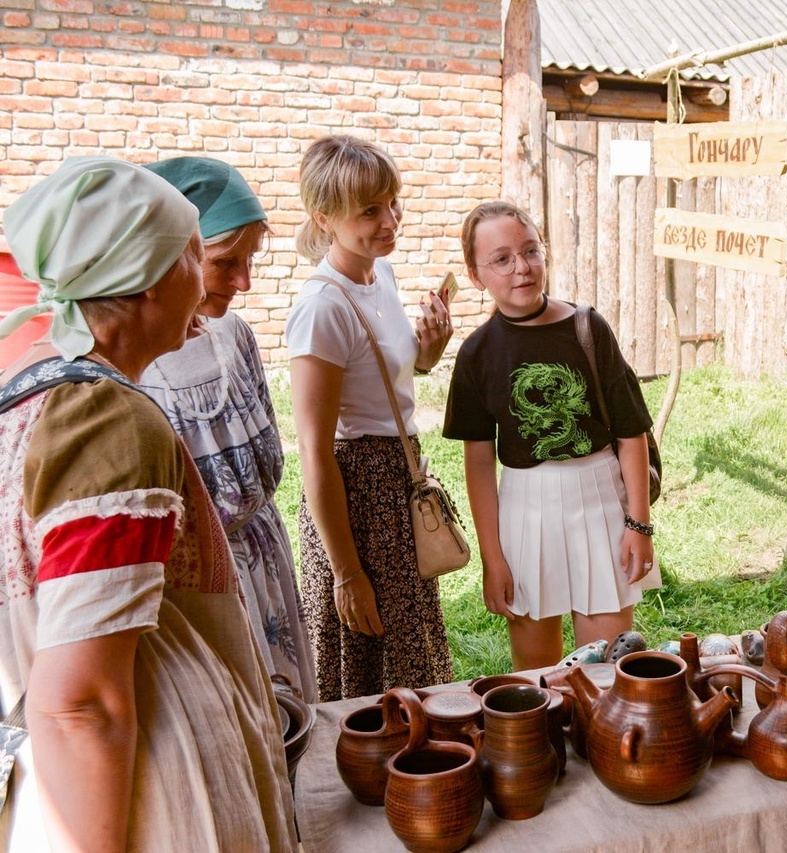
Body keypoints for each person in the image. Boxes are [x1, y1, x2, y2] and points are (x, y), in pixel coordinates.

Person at [0, 157, 296, 850]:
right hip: (150, 794)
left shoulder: (33, 394)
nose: (210, 280)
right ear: (149, 280)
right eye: (196, 254)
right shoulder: (102, 419)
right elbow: (83, 703)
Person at [443, 200, 661, 671]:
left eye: (530, 251)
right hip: (524, 509)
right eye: (501, 259)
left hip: (601, 498)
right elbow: (479, 463)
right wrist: (492, 557)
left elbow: (630, 433)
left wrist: (639, 526)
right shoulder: (476, 355)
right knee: (538, 677)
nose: (521, 268)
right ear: (476, 275)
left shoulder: (587, 328)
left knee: (607, 669)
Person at [137, 157, 318, 703]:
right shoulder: (137, 361)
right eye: (224, 263)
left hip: (262, 553)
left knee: (285, 714)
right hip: (198, 579)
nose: (244, 281)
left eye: (250, 261)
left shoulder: (234, 334)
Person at [285, 135, 455, 701]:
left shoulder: (379, 274)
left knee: (411, 652)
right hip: (356, 496)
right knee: (367, 656)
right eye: (370, 210)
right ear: (324, 218)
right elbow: (315, 451)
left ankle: (425, 767)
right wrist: (345, 572)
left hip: (397, 480)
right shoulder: (321, 307)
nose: (391, 220)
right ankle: (373, 777)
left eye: (393, 202)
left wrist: (430, 347)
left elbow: (398, 381)